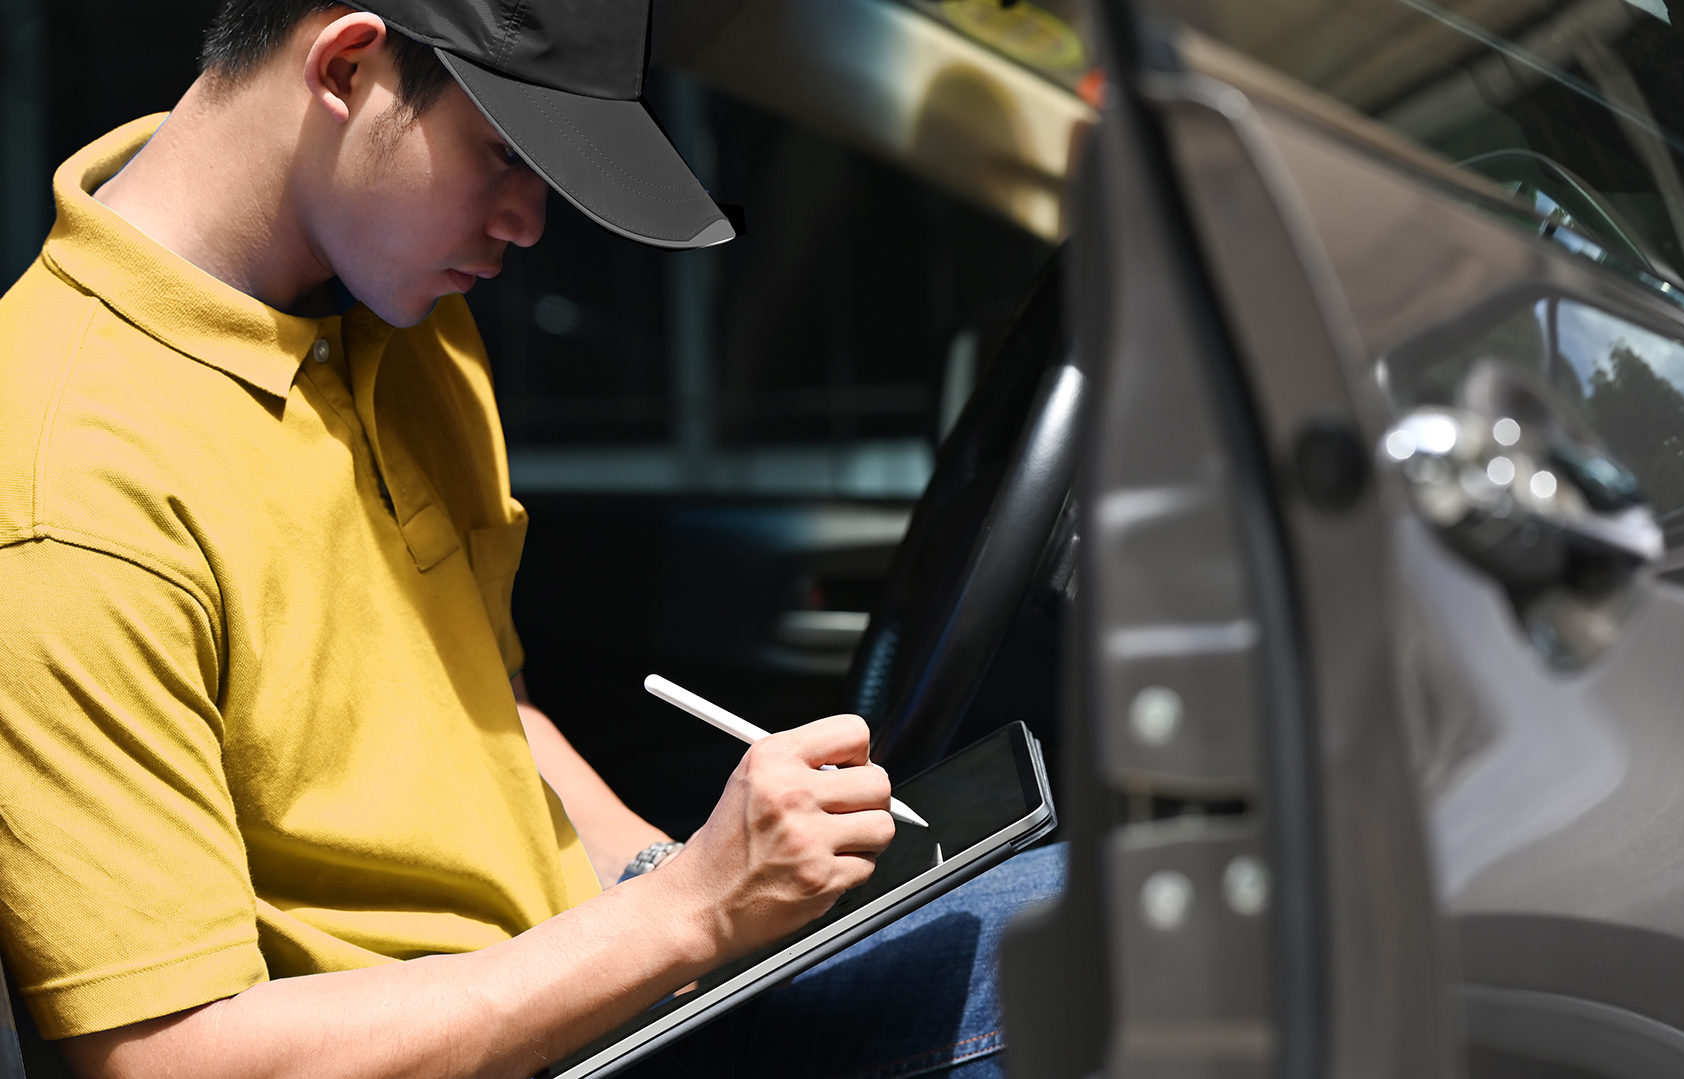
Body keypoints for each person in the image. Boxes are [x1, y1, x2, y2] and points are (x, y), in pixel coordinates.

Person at [0, 1, 1062, 1076]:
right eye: (507, 152)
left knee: (1115, 912)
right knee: (1113, 959)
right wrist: (689, 914)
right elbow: (170, 1059)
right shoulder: (63, 487)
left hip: (615, 1000)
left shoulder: (394, 314)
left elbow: (486, 711)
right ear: (346, 65)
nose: (530, 221)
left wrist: (680, 878)